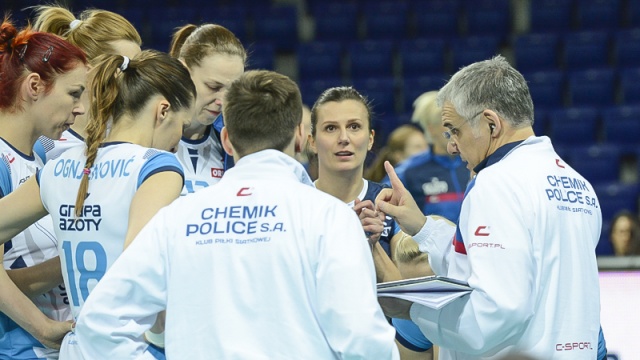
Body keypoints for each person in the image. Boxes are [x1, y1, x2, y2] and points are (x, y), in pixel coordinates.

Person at [72, 70, 399, 359]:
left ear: (227, 140)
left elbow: (99, 321)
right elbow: (364, 341)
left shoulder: (179, 217)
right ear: (301, 137)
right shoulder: (328, 217)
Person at [376, 56, 605, 359]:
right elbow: (493, 266)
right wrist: (422, 227)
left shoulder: (496, 183)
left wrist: (413, 310)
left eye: (453, 130)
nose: (451, 146)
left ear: (491, 123)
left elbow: (498, 311)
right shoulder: (578, 184)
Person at [0, 50, 196, 359]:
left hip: (77, 348)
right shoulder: (157, 167)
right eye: (182, 125)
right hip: (132, 347)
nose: (179, 140)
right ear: (163, 110)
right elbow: (141, 267)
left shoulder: (57, 168)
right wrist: (163, 339)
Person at [308, 86, 433, 359]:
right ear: (312, 141)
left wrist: (372, 247)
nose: (344, 138)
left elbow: (409, 309)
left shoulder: (391, 205)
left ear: (371, 138)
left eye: (354, 127)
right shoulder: (295, 203)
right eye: (330, 129)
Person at [0, 18, 88, 358]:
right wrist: (44, 329)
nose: (80, 108)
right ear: (34, 86)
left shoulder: (41, 157)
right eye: (73, 94)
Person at [32, 5, 142, 161]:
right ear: (89, 70)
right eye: (127, 66)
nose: (140, 76)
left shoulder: (132, 139)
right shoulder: (46, 146)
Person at [169, 23, 245, 194]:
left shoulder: (235, 143)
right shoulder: (146, 137)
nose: (222, 102)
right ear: (182, 71)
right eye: (213, 87)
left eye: (232, 90)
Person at [385, 91, 470, 222]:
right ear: (431, 129)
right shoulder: (407, 171)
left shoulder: (477, 163)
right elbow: (387, 215)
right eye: (447, 125)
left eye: (458, 123)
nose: (454, 130)